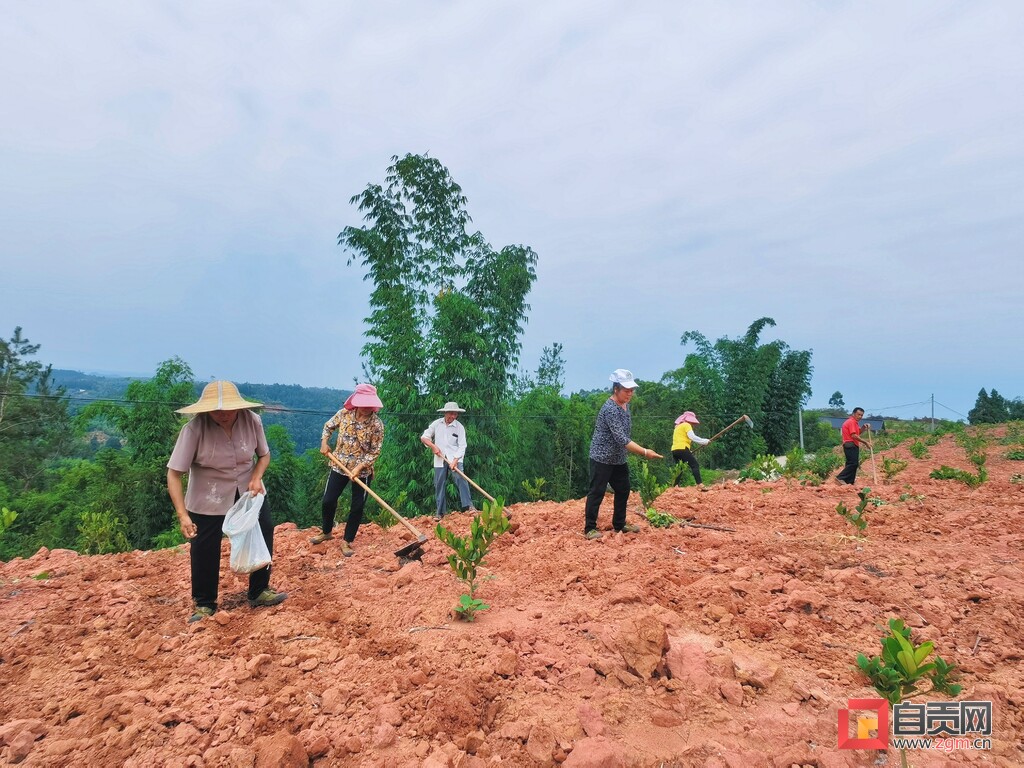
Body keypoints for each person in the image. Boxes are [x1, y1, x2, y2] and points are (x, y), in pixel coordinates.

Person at [167, 381, 287, 623]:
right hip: (207, 497)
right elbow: (174, 474)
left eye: (228, 409)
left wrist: (256, 477)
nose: (223, 414)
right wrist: (182, 515)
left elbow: (264, 455)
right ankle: (204, 603)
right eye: (216, 410)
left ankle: (259, 590)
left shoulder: (252, 421)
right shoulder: (193, 430)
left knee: (263, 532)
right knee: (204, 547)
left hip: (248, 492)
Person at [584, 369, 663, 539]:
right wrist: (644, 452)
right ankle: (590, 528)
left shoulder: (625, 405)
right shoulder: (610, 409)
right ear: (616, 389)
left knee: (623, 489)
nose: (630, 394)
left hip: (618, 458)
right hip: (602, 457)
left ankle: (619, 523)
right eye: (626, 390)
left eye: (631, 390)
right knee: (597, 491)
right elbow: (622, 438)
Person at [312, 383, 385, 557]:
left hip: (363, 471)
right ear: (357, 401)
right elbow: (328, 427)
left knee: (357, 506)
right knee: (328, 500)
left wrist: (359, 467)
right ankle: (327, 531)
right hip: (339, 464)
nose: (367, 408)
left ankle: (347, 541)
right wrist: (324, 442)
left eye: (370, 405)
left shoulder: (377, 424)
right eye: (364, 404)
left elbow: (375, 451)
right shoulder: (344, 414)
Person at [421, 401, 477, 518]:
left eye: (455, 414)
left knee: (461, 478)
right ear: (445, 413)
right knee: (439, 483)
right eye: (450, 414)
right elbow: (424, 437)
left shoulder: (459, 427)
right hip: (440, 458)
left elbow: (462, 446)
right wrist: (433, 446)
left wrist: (455, 461)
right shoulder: (436, 424)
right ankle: (440, 512)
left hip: (455, 458)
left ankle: (469, 505)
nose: (453, 416)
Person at [672, 411, 710, 486]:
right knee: (694, 465)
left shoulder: (677, 427)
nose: (693, 424)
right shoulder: (686, 425)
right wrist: (704, 441)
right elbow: (692, 437)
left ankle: (675, 486)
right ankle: (699, 484)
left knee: (679, 468)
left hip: (675, 450)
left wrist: (688, 451)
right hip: (682, 448)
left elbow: (680, 440)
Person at [836, 407, 869, 485]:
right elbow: (854, 435)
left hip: (851, 444)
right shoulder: (851, 422)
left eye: (861, 415)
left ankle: (849, 482)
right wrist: (865, 442)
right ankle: (840, 477)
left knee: (851, 463)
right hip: (850, 444)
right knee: (853, 464)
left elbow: (858, 433)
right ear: (853, 414)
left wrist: (864, 427)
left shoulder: (854, 422)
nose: (860, 416)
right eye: (858, 414)